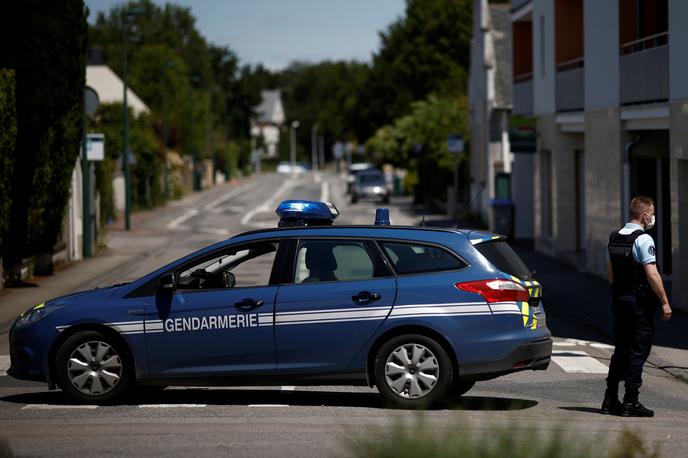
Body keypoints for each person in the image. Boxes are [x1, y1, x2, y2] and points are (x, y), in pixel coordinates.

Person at [603, 196, 672, 417]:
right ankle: (630, 401)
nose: (652, 217)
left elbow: (610, 272)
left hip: (620, 300)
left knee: (620, 349)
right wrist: (664, 301)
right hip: (639, 303)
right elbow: (652, 274)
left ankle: (610, 398)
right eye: (651, 213)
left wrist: (618, 293)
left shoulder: (614, 237)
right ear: (644, 215)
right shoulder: (643, 240)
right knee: (637, 351)